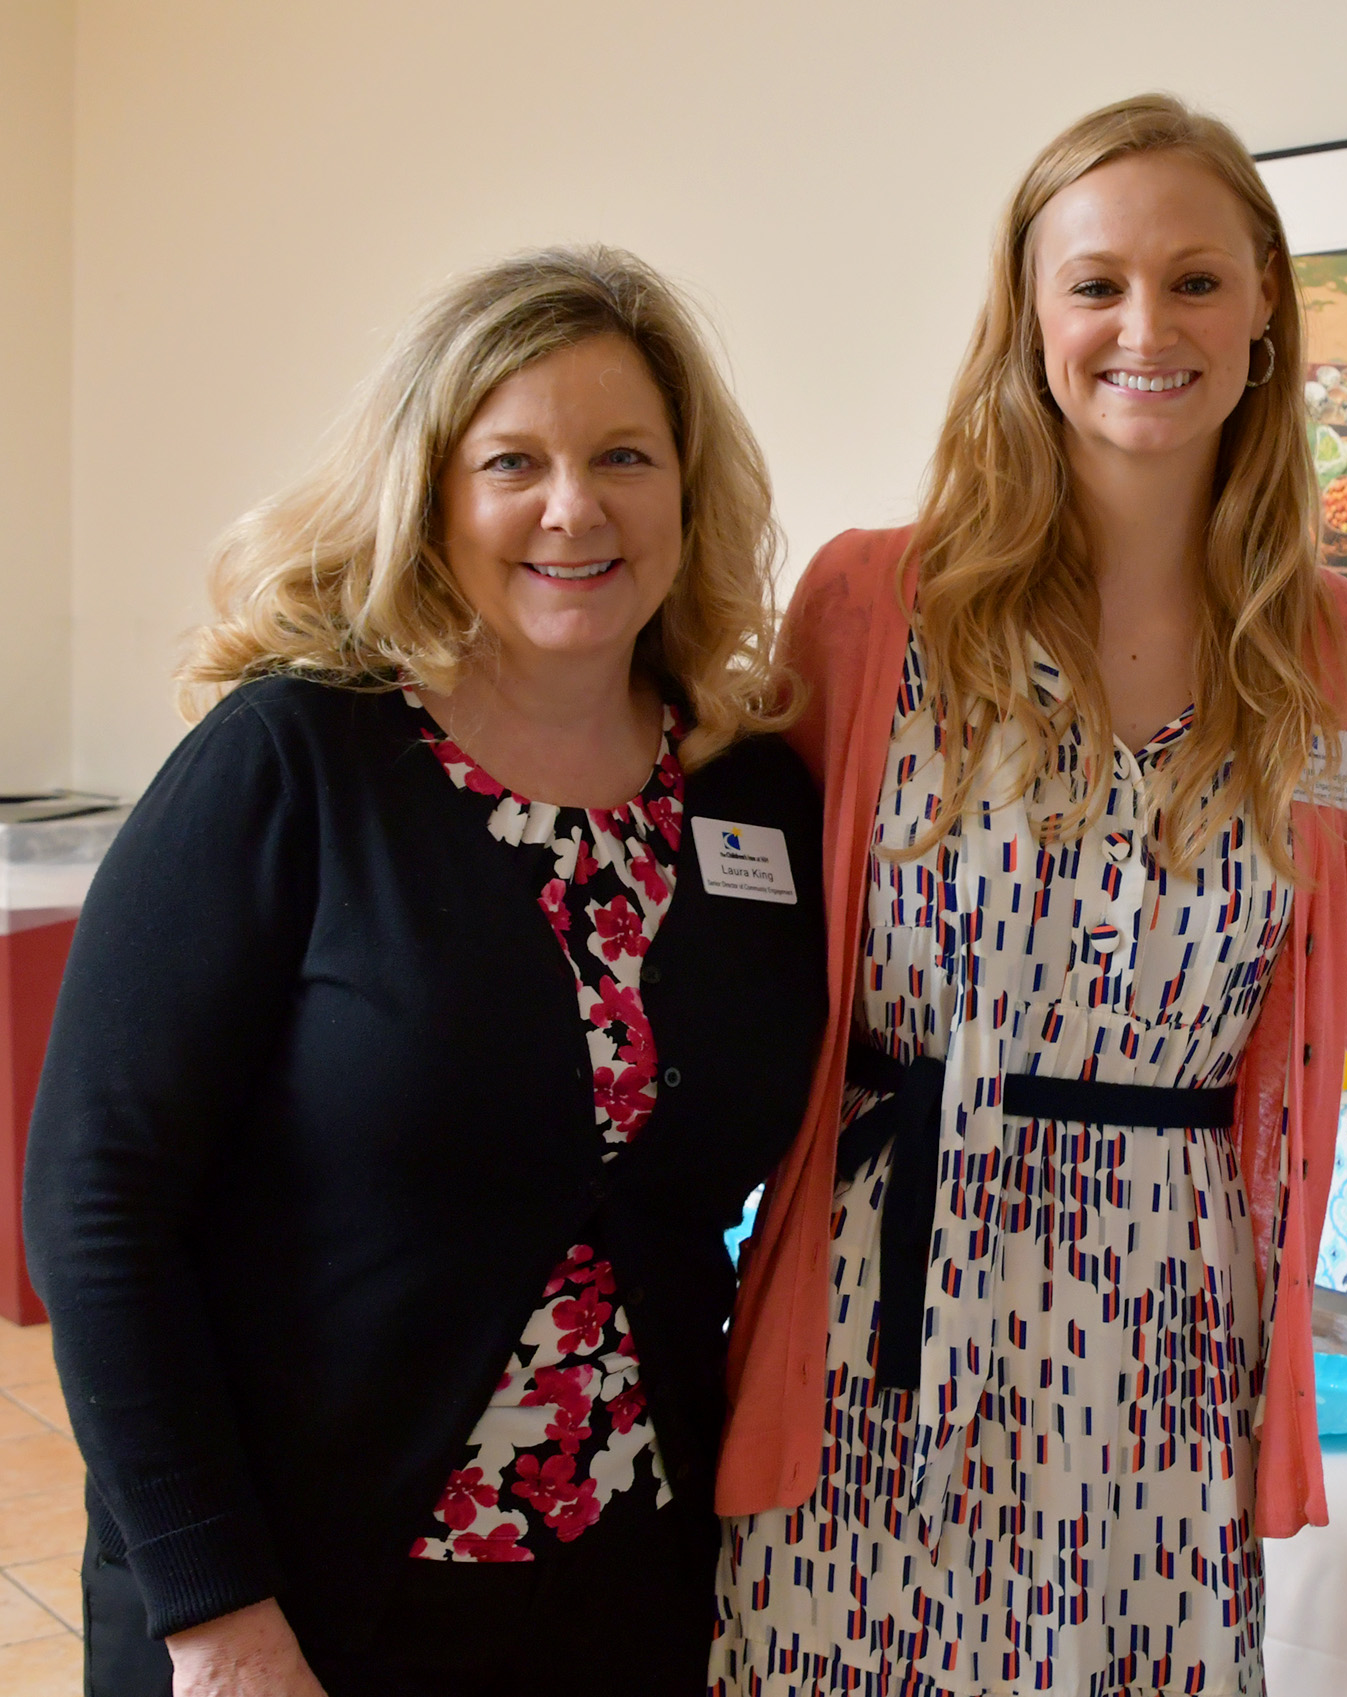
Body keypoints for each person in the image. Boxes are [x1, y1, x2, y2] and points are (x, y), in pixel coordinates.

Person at [24, 247, 829, 1696]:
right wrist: (210, 1605)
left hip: (629, 1586)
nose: (572, 505)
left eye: (624, 455)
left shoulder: (750, 791)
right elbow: (95, 1199)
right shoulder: (293, 760)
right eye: (511, 458)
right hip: (304, 1598)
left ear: (688, 491)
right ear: (432, 493)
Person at [709, 94, 1347, 1696]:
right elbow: (734, 925)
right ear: (1029, 316)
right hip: (885, 1283)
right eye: (1094, 283)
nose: (1144, 327)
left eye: (1196, 280)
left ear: (1265, 309)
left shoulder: (1342, 653)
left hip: (1168, 1315)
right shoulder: (875, 599)